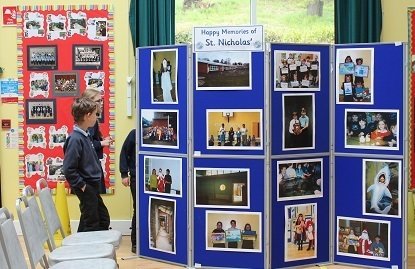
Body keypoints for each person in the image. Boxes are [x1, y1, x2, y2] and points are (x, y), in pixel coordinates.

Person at [63, 97, 110, 232]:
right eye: (95, 114)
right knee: (92, 222)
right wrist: (82, 185)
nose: (97, 117)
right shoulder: (75, 139)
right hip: (86, 185)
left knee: (102, 218)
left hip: (92, 185)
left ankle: (93, 247)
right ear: (87, 116)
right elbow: (68, 169)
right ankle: (86, 250)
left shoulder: (85, 135)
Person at [81, 87, 112, 194]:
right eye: (98, 101)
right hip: (89, 172)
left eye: (101, 100)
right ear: (89, 103)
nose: (101, 103)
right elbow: (86, 145)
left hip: (91, 169)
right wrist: (102, 143)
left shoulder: (89, 120)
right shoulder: (90, 122)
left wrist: (102, 142)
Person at [119, 128, 137, 253]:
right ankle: (135, 243)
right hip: (136, 177)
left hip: (153, 178)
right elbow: (124, 152)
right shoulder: (134, 133)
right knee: (138, 209)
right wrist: (124, 174)